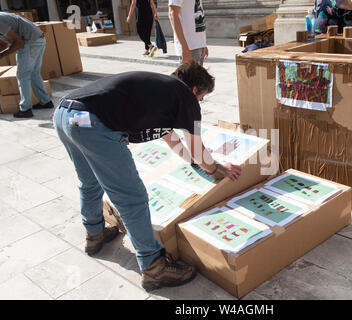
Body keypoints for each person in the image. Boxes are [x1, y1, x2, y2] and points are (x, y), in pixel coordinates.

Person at [52, 61, 242, 291]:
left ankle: (95, 233)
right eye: (202, 97)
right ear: (194, 90)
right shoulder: (185, 97)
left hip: (66, 115)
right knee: (131, 197)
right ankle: (154, 267)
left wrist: (197, 163)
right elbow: (199, 150)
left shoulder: (160, 94)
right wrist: (218, 170)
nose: (200, 103)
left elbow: (175, 142)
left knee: (90, 182)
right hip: (92, 123)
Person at [0, 12, 54, 118]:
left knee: (22, 75)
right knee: (34, 73)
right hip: (38, 40)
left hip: (30, 42)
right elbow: (4, 44)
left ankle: (25, 109)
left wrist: (2, 55)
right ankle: (46, 101)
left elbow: (19, 42)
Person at [168, 0, 208, 65]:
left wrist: (203, 44)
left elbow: (197, 10)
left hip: (199, 44)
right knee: (188, 75)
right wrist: (185, 48)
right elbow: (173, 15)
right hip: (189, 46)